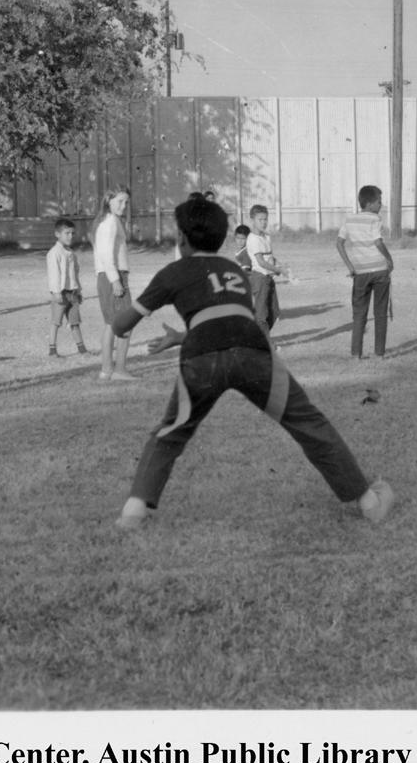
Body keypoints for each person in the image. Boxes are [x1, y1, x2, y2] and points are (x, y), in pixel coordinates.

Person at [109, 195, 395, 531]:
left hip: (202, 359)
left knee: (171, 432)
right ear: (221, 238)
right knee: (307, 422)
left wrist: (128, 316)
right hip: (253, 353)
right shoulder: (233, 270)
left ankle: (133, 512)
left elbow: (121, 326)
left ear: (182, 238)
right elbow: (231, 322)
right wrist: (182, 336)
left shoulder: (173, 272)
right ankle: (369, 502)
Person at [335, 184, 395, 359]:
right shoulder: (376, 219)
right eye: (379, 202)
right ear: (369, 204)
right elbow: (378, 242)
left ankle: (356, 354)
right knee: (380, 312)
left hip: (360, 272)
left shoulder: (349, 220)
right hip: (380, 270)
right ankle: (379, 353)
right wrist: (389, 259)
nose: (381, 205)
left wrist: (350, 267)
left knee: (359, 314)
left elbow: (339, 243)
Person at [93, 186, 137, 381]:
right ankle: (118, 369)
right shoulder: (110, 222)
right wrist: (116, 280)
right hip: (113, 276)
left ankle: (107, 370)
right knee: (125, 324)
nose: (123, 205)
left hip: (110, 276)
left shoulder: (109, 221)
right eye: (120, 201)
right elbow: (105, 255)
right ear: (108, 200)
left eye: (126, 202)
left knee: (111, 324)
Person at [46, 217, 88, 357]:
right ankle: (52, 350)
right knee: (56, 322)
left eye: (72, 233)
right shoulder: (54, 253)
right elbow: (53, 274)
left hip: (72, 293)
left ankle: (82, 349)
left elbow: (75, 273)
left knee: (75, 322)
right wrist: (56, 292)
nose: (70, 236)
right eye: (67, 233)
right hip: (60, 294)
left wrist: (79, 290)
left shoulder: (71, 253)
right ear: (57, 234)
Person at [244, 204, 283, 332]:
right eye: (260, 219)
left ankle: (258, 336)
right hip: (259, 278)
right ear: (252, 220)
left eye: (265, 219)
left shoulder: (266, 237)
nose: (263, 222)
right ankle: (264, 341)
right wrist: (276, 269)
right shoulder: (252, 239)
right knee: (261, 313)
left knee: (274, 311)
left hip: (269, 278)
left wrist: (278, 265)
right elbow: (261, 262)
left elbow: (270, 258)